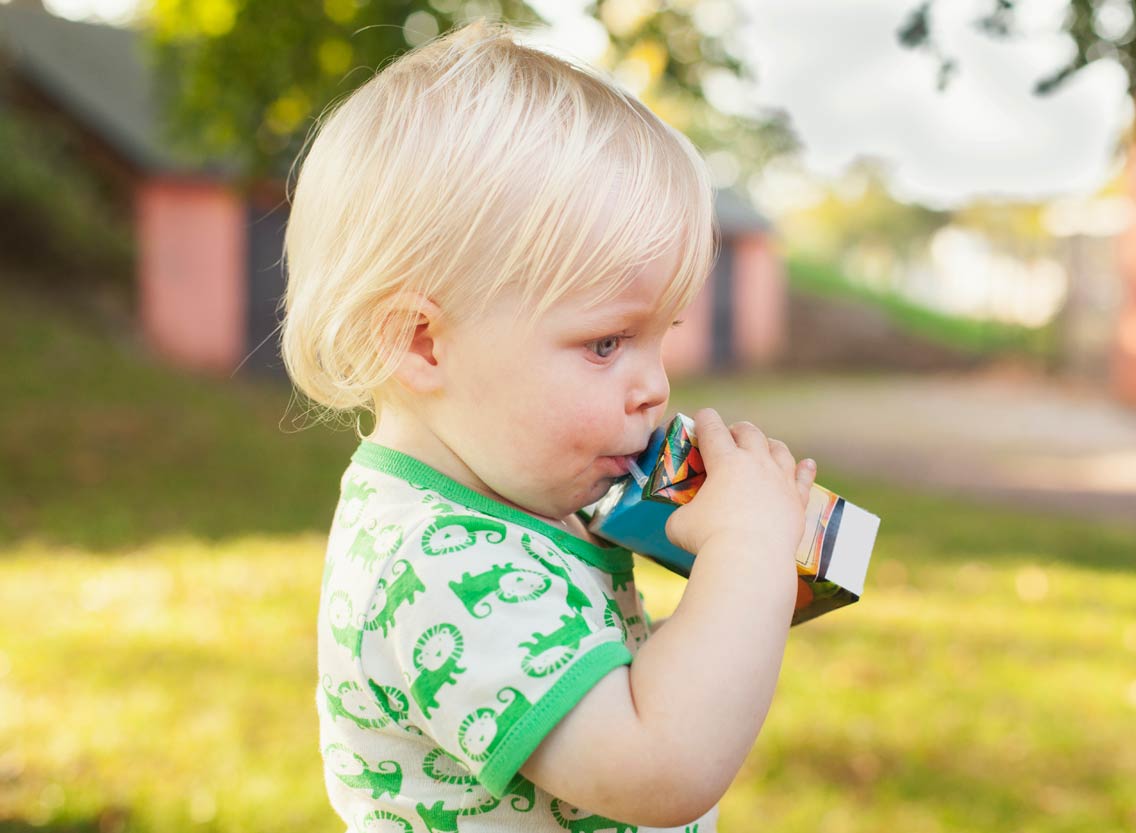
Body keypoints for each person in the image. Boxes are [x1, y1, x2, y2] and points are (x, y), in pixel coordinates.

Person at [279, 18, 818, 832]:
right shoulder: (437, 568)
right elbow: (660, 766)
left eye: (658, 337)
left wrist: (746, 595)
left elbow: (615, 685)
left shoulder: (502, 510)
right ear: (421, 341)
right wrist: (746, 554)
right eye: (606, 342)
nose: (655, 387)